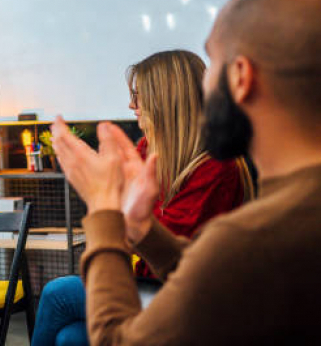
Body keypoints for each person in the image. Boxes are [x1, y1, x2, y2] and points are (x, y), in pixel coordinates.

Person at [50, 0, 321, 344]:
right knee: (69, 337)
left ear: (240, 77)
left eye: (213, 66)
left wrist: (104, 211)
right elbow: (217, 276)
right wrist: (142, 228)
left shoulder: (253, 235)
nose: (203, 88)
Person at [32, 50, 251, 346]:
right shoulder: (151, 148)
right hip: (149, 283)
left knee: (57, 294)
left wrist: (110, 199)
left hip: (191, 297)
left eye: (139, 95)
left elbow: (167, 251)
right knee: (70, 338)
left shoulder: (217, 166)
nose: (131, 105)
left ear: (166, 99)